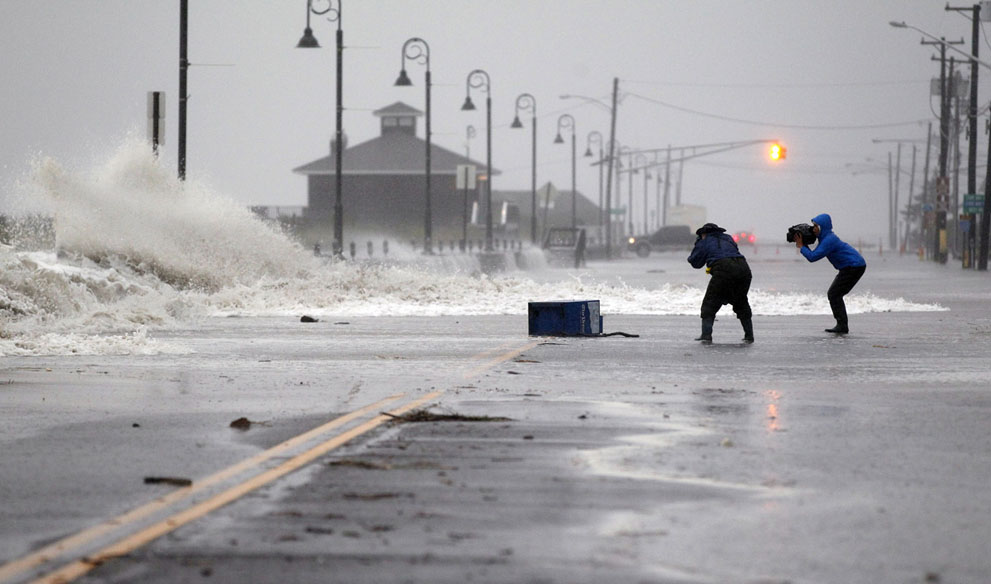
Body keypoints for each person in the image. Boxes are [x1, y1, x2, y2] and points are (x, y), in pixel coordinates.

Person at [794, 213, 867, 334]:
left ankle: (842, 326)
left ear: (822, 227)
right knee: (835, 294)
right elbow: (814, 252)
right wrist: (805, 241)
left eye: (816, 226)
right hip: (850, 267)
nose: (814, 228)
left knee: (834, 294)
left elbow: (813, 257)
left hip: (854, 266)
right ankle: (842, 325)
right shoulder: (825, 237)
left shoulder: (829, 240)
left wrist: (802, 246)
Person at [687, 223, 754, 344]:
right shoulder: (728, 238)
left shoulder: (705, 240)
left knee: (709, 303)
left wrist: (698, 244)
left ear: (704, 233)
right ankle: (749, 335)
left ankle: (706, 335)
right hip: (744, 269)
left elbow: (695, 262)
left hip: (723, 269)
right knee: (741, 302)